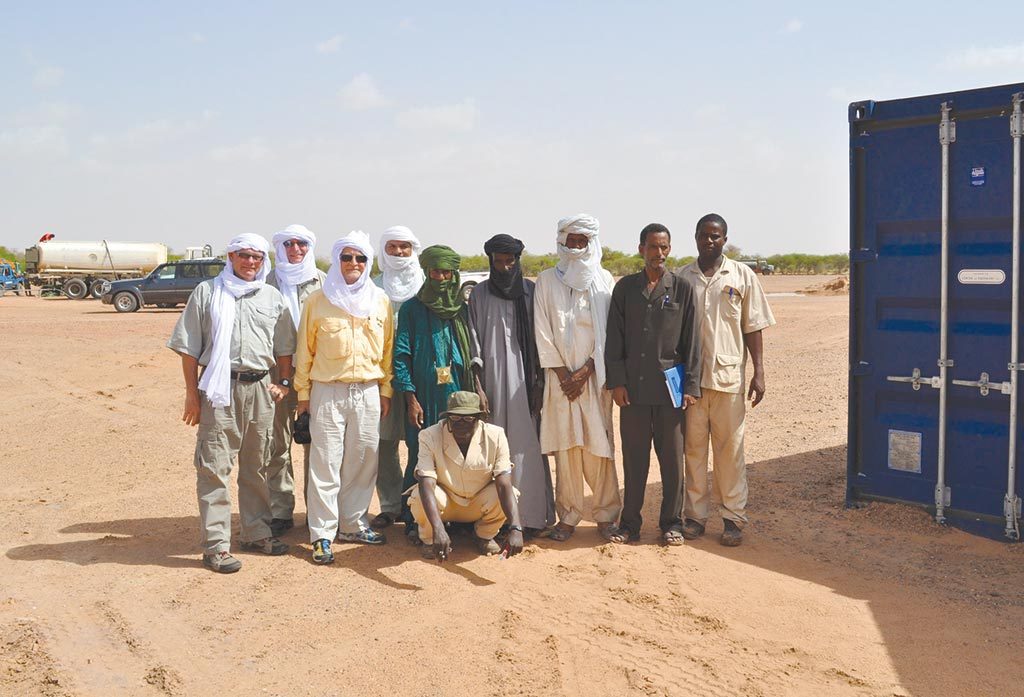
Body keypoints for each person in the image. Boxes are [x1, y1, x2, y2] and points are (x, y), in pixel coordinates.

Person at [167, 234, 296, 573]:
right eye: (243, 255)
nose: (250, 262)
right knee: (214, 468)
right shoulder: (208, 293)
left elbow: (284, 346)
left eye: (256, 256)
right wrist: (192, 394)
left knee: (257, 465)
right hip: (219, 390)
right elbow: (189, 348)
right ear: (231, 257)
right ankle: (216, 546)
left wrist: (283, 383)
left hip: (261, 392)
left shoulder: (271, 296)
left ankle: (255, 532)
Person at [294, 231, 394, 564]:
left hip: (367, 391)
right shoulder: (318, 300)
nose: (353, 264)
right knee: (325, 462)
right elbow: (304, 352)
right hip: (327, 391)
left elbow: (388, 351)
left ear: (368, 263)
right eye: (347, 257)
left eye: (360, 258)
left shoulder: (380, 300)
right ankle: (322, 533)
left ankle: (352, 522)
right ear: (337, 261)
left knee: (364, 459)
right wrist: (303, 395)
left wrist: (386, 390)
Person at [681, 214, 775, 546]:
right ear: (695, 238)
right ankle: (694, 516)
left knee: (730, 452)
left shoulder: (742, 275)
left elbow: (753, 326)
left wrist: (759, 371)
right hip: (691, 385)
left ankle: (733, 518)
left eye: (716, 236)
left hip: (729, 380)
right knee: (693, 452)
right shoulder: (683, 278)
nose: (709, 241)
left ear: (725, 239)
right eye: (704, 236)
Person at [606, 223, 701, 546]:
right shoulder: (626, 289)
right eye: (652, 247)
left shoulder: (682, 288)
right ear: (641, 249)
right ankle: (629, 524)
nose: (658, 254)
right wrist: (617, 382)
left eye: (663, 248)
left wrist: (691, 385)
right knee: (634, 460)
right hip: (632, 391)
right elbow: (613, 340)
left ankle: (671, 523)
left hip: (670, 392)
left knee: (672, 460)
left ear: (669, 250)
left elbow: (693, 341)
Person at [534, 214, 626, 543]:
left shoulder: (603, 280)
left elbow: (611, 334)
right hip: (560, 383)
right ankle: (568, 516)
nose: (574, 245)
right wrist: (563, 375)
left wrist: (586, 371)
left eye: (581, 240)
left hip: (594, 379)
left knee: (599, 449)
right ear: (561, 240)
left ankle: (606, 515)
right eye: (570, 239)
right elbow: (542, 331)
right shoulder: (546, 280)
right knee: (567, 449)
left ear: (591, 242)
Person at [468, 234, 554, 534]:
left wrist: (540, 384)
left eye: (510, 261)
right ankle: (493, 520)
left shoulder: (531, 292)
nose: (505, 268)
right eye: (499, 262)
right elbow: (474, 344)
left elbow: (543, 340)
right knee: (491, 451)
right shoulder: (478, 294)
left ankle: (529, 518)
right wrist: (478, 388)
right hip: (491, 384)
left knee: (525, 448)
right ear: (490, 262)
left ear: (518, 260)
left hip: (525, 385)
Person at [393, 245, 472, 544]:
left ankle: (455, 516)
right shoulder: (413, 308)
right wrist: (410, 397)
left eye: (446, 272)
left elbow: (471, 351)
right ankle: (416, 518)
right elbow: (401, 356)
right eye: (435, 272)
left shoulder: (462, 309)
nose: (441, 278)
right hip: (424, 396)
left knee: (457, 454)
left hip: (458, 394)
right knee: (420, 454)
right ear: (427, 272)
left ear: (454, 275)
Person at [409, 391, 525, 560]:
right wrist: (438, 529)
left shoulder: (496, 435)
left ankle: (484, 535)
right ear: (447, 418)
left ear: (478, 419)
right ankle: (429, 539)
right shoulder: (429, 435)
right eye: (455, 418)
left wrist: (516, 528)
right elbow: (426, 481)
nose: (461, 423)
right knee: (420, 495)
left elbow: (503, 483)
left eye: (468, 418)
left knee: (510, 493)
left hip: (477, 502)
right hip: (446, 502)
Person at [266, 224, 326, 537]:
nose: (294, 249)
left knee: (313, 442)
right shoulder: (267, 282)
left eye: (301, 244)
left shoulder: (324, 283)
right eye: (288, 244)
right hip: (276, 375)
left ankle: (315, 510)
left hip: (314, 375)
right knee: (277, 442)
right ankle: (280, 510)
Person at [370, 226, 425, 531]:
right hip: (382, 376)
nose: (400, 253)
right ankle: (391, 506)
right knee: (384, 443)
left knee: (421, 442)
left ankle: (416, 504)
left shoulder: (426, 286)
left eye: (405, 247)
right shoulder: (373, 287)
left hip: (420, 375)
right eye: (393, 247)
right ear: (384, 251)